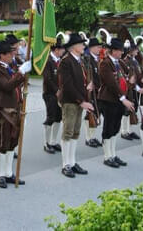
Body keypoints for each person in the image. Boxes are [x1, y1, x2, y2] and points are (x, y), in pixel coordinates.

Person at [0, 40, 32, 188]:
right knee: (4, 142)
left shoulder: (10, 67)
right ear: (2, 55)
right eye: (10, 53)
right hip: (4, 110)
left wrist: (21, 75)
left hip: (15, 108)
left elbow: (16, 84)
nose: (13, 55)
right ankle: (0, 174)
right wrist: (21, 73)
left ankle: (8, 173)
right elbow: (7, 86)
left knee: (13, 142)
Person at [58, 33, 94, 178]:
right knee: (68, 132)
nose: (84, 46)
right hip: (70, 101)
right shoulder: (66, 62)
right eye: (81, 44)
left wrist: (88, 86)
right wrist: (82, 101)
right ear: (74, 47)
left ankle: (72, 162)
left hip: (79, 101)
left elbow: (81, 80)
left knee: (75, 132)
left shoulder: (79, 60)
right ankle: (65, 164)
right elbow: (67, 85)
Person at [98, 38, 135, 168]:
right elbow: (111, 84)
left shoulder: (119, 62)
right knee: (108, 128)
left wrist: (130, 79)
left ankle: (113, 154)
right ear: (113, 51)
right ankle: (107, 156)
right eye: (119, 50)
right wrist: (123, 98)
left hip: (118, 100)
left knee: (115, 128)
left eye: (122, 50)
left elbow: (128, 73)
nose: (121, 53)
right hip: (108, 100)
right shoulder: (105, 63)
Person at [42, 38, 64, 154]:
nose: (63, 51)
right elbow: (48, 78)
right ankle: (46, 143)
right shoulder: (48, 60)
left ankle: (53, 141)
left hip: (59, 93)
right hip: (50, 94)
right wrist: (56, 91)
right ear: (56, 50)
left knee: (58, 118)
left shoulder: (60, 61)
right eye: (61, 49)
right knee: (50, 117)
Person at [83, 38, 103, 148]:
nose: (99, 49)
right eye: (97, 47)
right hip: (91, 90)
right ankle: (88, 137)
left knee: (96, 113)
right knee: (90, 114)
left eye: (100, 47)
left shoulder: (97, 59)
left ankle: (92, 136)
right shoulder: (87, 59)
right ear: (91, 48)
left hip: (98, 90)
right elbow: (88, 75)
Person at [120, 42, 142, 141]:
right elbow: (127, 77)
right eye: (136, 49)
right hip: (129, 89)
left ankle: (129, 130)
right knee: (126, 111)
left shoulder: (135, 60)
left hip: (135, 88)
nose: (137, 51)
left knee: (133, 109)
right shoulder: (126, 61)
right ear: (131, 50)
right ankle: (124, 131)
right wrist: (135, 86)